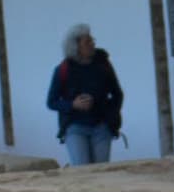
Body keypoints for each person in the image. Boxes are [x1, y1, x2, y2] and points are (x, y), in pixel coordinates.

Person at [47, 24, 124, 166]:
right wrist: (73, 104)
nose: (92, 44)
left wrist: (111, 116)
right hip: (75, 127)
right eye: (87, 42)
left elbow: (117, 94)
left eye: (92, 40)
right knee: (82, 169)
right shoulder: (63, 69)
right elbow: (51, 102)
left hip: (101, 127)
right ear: (76, 46)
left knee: (101, 170)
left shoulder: (103, 65)